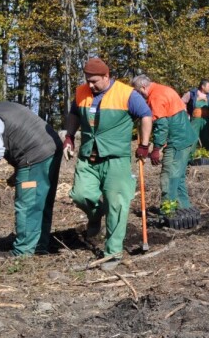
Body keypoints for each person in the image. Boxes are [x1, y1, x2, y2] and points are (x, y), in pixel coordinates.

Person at [63, 57, 153, 270]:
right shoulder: (81, 92)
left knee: (117, 205)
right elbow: (74, 113)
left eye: (94, 81)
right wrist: (69, 136)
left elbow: (146, 116)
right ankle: (95, 215)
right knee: (80, 194)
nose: (90, 85)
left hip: (116, 158)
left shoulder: (127, 94)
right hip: (88, 156)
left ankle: (112, 253)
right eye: (87, 80)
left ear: (106, 76)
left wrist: (144, 144)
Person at [0, 100, 62, 258]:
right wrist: (17, 173)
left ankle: (23, 251)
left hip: (34, 156)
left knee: (27, 204)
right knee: (42, 200)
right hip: (51, 148)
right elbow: (20, 134)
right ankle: (39, 246)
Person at [132, 75, 198, 208]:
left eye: (138, 92)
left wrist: (156, 149)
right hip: (186, 138)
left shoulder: (155, 97)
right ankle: (184, 208)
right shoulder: (164, 89)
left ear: (143, 87)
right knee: (178, 176)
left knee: (168, 176)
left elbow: (161, 126)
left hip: (177, 142)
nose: (140, 96)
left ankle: (169, 210)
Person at [180, 79, 209, 152]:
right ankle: (190, 155)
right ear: (203, 86)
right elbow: (181, 102)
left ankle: (206, 155)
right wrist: (185, 113)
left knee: (206, 138)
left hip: (206, 120)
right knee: (193, 137)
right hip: (195, 119)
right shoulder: (192, 94)